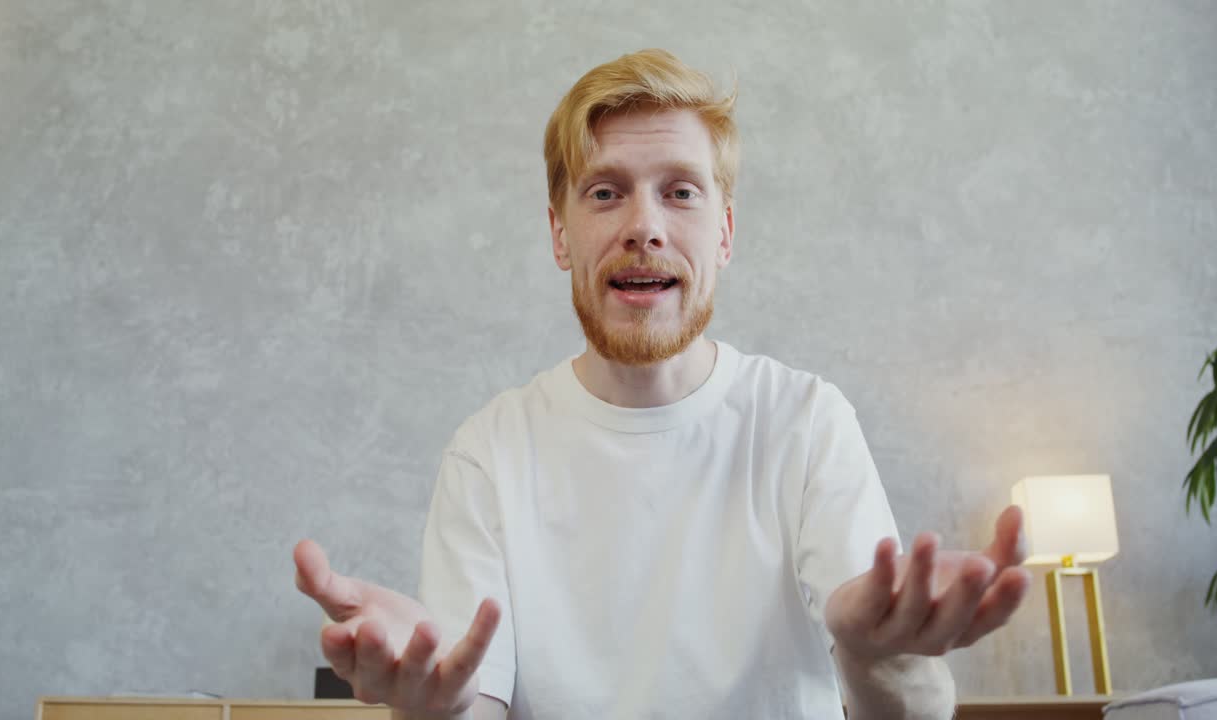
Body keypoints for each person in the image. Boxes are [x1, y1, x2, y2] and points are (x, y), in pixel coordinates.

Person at [294, 48, 1031, 720]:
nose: (644, 226)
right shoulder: (489, 451)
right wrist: (436, 708)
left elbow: (911, 714)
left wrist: (883, 656)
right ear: (559, 234)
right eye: (606, 194)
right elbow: (468, 703)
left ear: (724, 233)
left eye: (680, 193)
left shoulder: (806, 422)